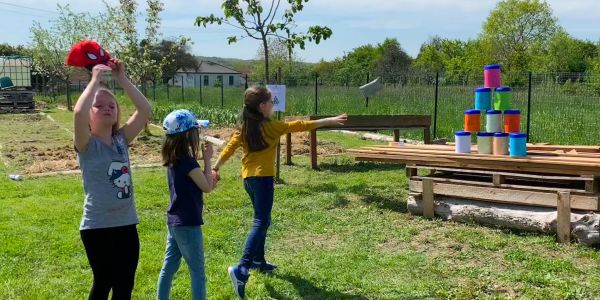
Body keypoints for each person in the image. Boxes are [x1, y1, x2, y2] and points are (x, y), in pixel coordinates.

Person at [212, 86, 347, 299]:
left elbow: (229, 147)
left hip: (248, 179)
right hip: (263, 179)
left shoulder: (245, 126)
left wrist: (215, 168)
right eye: (271, 102)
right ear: (262, 106)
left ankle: (258, 261)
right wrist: (328, 120)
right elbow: (301, 125)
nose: (273, 105)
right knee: (261, 221)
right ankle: (242, 269)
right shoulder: (272, 127)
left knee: (262, 220)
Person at [73, 59, 151, 299]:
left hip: (127, 224)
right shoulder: (86, 144)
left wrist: (121, 79)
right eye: (99, 106)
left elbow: (145, 110)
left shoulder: (121, 140)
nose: (107, 108)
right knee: (104, 280)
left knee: (125, 283)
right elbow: (78, 112)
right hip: (97, 227)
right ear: (89, 116)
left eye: (112, 105)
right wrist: (94, 81)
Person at [157, 109, 216, 300]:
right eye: (196, 131)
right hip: (188, 224)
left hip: (174, 222)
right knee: (197, 271)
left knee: (169, 268)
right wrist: (207, 161)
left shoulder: (174, 160)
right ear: (188, 136)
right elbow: (207, 187)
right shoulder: (189, 164)